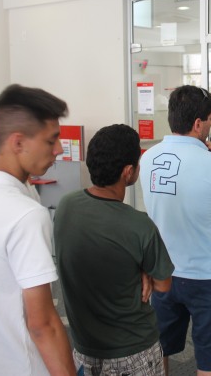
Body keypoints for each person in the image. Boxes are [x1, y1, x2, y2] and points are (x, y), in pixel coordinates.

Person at [0, 84, 76, 375]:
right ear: (18, 143)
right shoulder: (25, 215)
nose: (58, 150)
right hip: (23, 364)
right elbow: (42, 324)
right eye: (51, 140)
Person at [54, 124, 173, 375]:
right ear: (128, 172)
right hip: (132, 350)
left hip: (84, 348)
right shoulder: (139, 225)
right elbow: (163, 285)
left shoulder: (66, 206)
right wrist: (143, 269)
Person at [140, 85, 211, 376]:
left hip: (163, 273)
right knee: (209, 361)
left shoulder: (148, 157)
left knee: (160, 351)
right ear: (197, 124)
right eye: (210, 118)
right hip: (206, 277)